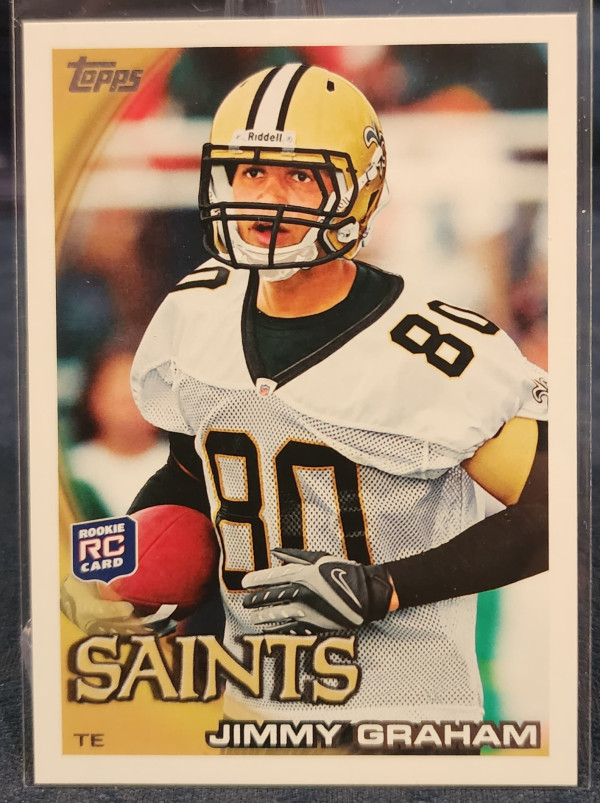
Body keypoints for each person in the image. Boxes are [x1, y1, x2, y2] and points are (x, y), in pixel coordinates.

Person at [64, 63, 548, 730]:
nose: (268, 197)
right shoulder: (197, 309)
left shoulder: (434, 349)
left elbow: (559, 510)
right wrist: (126, 572)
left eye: (300, 175)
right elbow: (192, 473)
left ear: (357, 191)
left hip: (402, 717)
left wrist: (384, 587)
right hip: (253, 709)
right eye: (251, 170)